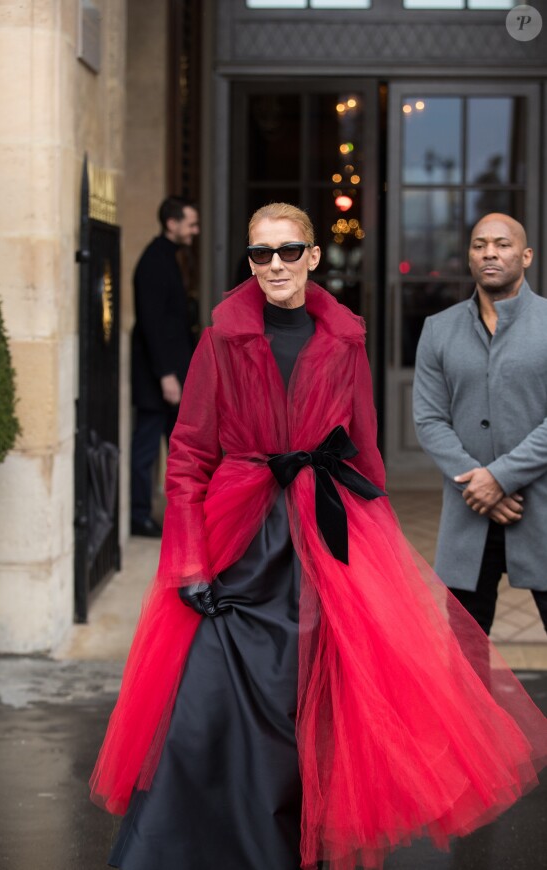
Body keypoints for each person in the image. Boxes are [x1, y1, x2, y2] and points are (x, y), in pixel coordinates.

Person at [92, 204, 546, 870]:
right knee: (207, 708)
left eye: (288, 250)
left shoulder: (345, 338)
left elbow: (364, 450)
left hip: (325, 536)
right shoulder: (221, 336)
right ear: (248, 260)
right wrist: (187, 560)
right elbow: (188, 454)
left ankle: (300, 844)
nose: (274, 265)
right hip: (237, 540)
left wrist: (379, 558)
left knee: (318, 708)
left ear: (312, 257)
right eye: (260, 254)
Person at [413, 213, 547, 636]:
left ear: (525, 256)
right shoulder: (439, 330)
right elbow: (429, 419)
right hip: (468, 511)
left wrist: (500, 478)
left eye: (503, 244)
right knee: (464, 659)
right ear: (469, 256)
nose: (490, 252)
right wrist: (478, 485)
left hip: (539, 508)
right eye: (479, 244)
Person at [130, 195, 200, 537]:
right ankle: (138, 515)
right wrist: (166, 376)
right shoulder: (154, 261)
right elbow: (152, 324)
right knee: (146, 450)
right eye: (191, 223)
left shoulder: (168, 258)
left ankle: (181, 514)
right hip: (157, 378)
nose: (195, 230)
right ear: (171, 223)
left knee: (178, 449)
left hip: (169, 374)